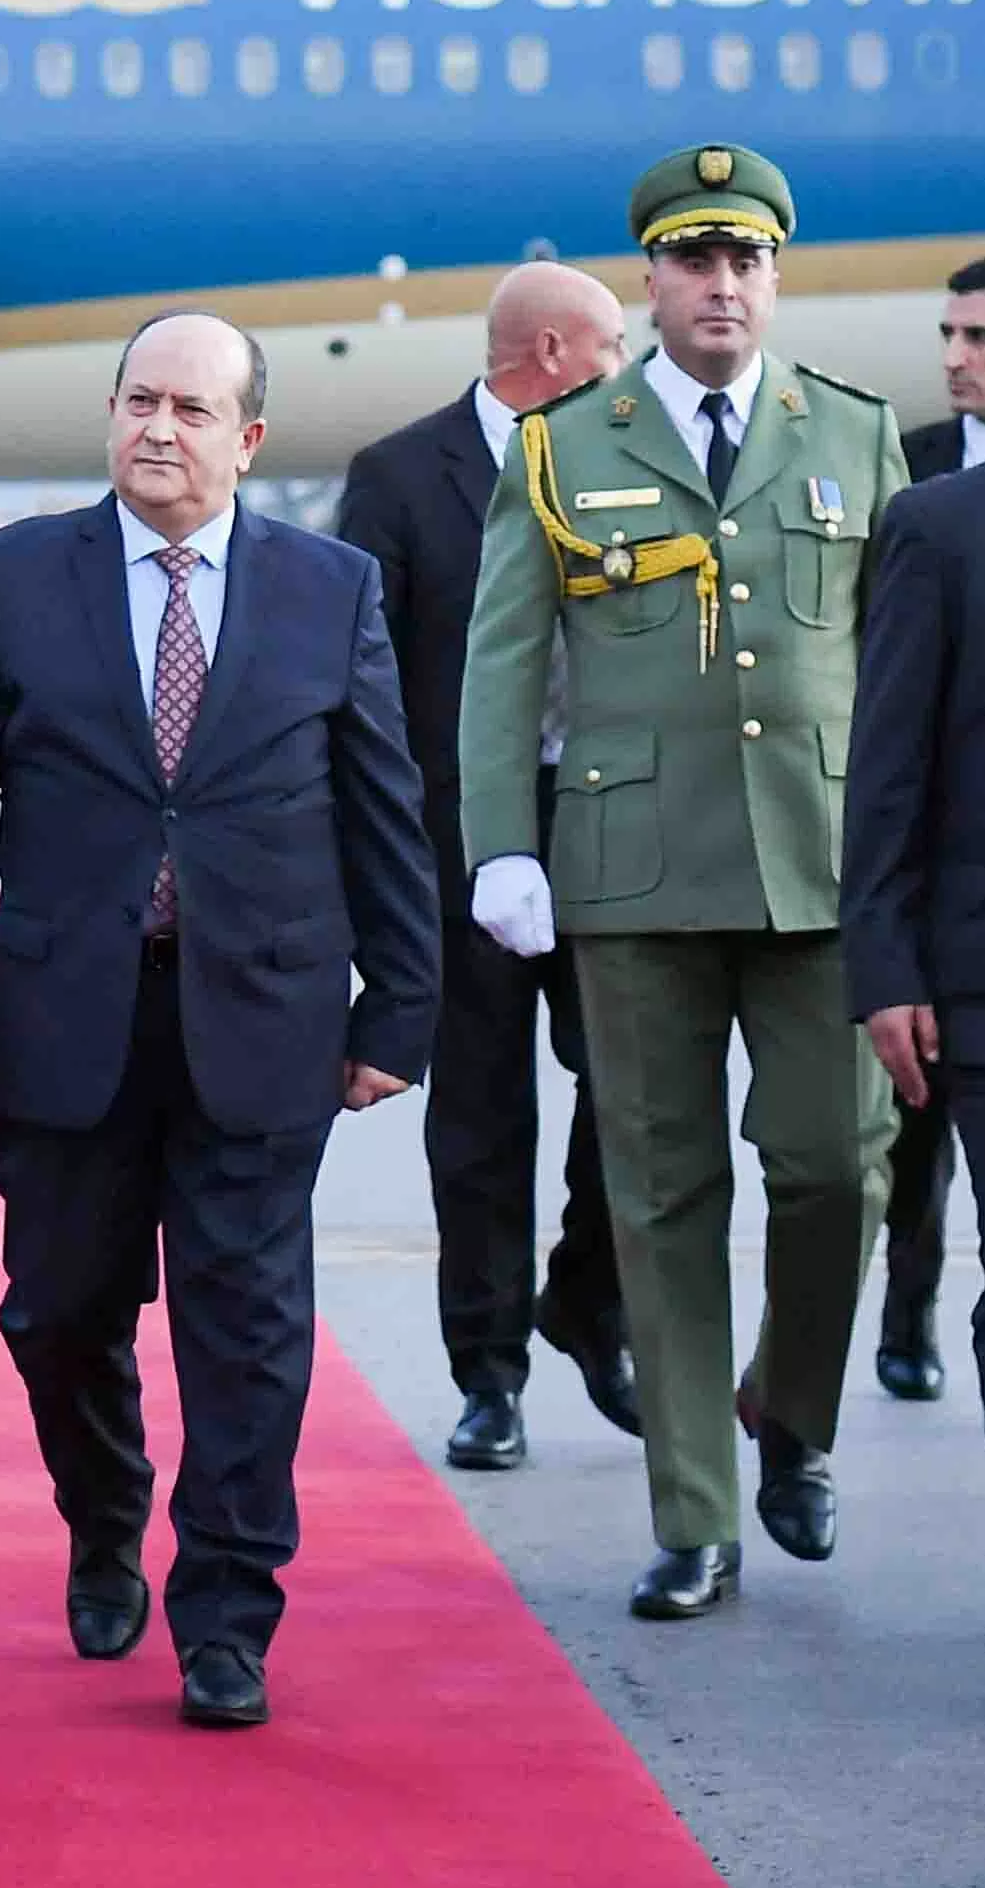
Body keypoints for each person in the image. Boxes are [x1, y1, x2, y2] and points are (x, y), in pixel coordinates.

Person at [0, 312, 435, 1728]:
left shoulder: (331, 589)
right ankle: (102, 1510)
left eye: (192, 409)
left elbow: (385, 812)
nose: (157, 429)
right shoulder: (14, 578)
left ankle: (228, 1614)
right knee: (60, 1314)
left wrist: (403, 1007)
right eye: (139, 400)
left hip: (268, 1017)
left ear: (247, 438)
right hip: (66, 1021)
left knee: (246, 1328)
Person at [459, 142, 906, 1621]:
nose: (723, 286)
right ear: (648, 279)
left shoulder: (849, 432)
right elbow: (503, 661)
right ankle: (697, 1515)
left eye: (748, 261)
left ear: (775, 276)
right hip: (633, 876)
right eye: (695, 261)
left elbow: (898, 670)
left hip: (822, 871)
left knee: (835, 1172)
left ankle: (790, 1415)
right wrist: (500, 846)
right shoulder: (562, 443)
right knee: (661, 1197)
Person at [332, 262, 640, 1470]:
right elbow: (356, 686)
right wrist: (374, 863)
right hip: (455, 848)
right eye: (613, 343)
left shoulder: (630, 462)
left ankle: (585, 1295)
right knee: (478, 1116)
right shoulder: (403, 478)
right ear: (555, 350)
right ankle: (491, 1370)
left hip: (615, 835)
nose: (628, 363)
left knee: (632, 1093)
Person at [869, 253, 985, 1396]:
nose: (954, 360)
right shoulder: (925, 507)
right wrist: (888, 958)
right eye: (950, 336)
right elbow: (888, 758)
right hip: (964, 951)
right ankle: (908, 1321)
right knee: (911, 1163)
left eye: (977, 338)